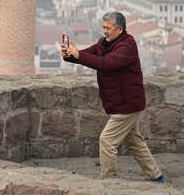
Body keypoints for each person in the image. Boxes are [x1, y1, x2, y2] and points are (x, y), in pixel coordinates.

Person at [61, 11, 165, 184]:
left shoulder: (127, 45)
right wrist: (71, 55)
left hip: (128, 103)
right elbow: (88, 55)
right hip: (122, 102)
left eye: (108, 28)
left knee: (107, 141)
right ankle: (156, 177)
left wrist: (80, 55)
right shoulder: (104, 43)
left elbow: (108, 63)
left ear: (120, 29)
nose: (105, 31)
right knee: (134, 142)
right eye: (103, 27)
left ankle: (109, 183)